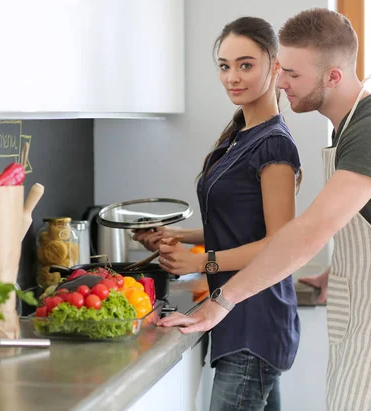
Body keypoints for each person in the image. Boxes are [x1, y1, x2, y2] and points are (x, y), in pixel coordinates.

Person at [157, 8, 371, 411]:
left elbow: (311, 230)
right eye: (281, 70)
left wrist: (222, 301)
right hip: (369, 313)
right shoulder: (349, 128)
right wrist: (337, 272)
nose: (280, 83)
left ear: (333, 77)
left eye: (292, 75)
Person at [134, 16, 302, 411]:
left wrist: (201, 261)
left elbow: (279, 244)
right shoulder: (242, 135)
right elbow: (238, 227)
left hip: (254, 319)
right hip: (235, 317)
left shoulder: (274, 146)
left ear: (275, 66)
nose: (232, 77)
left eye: (246, 65)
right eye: (225, 66)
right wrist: (176, 236)